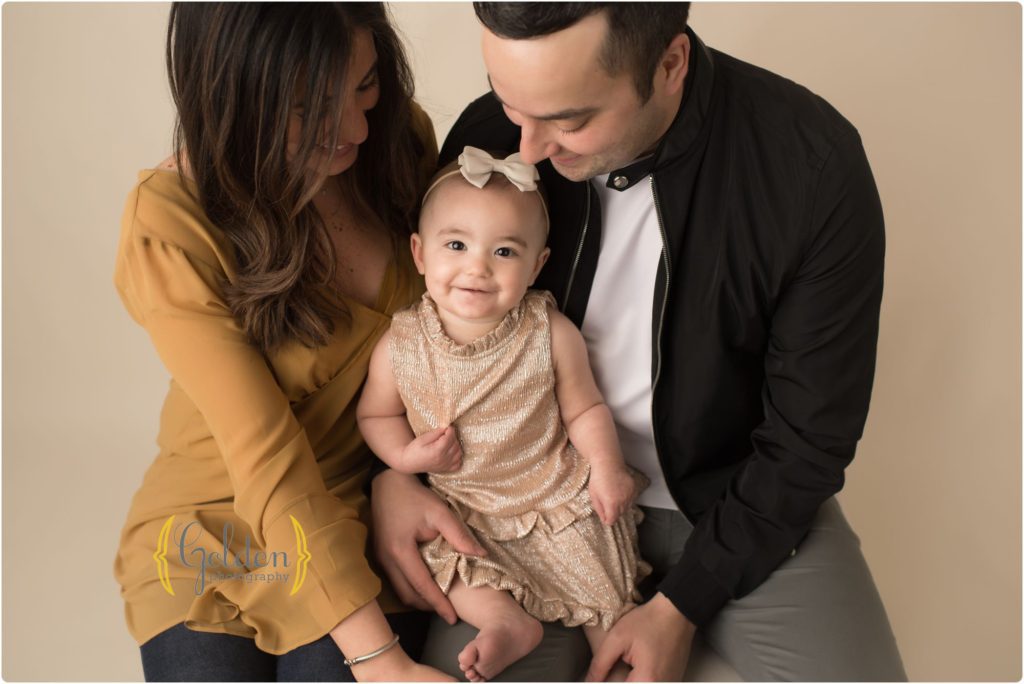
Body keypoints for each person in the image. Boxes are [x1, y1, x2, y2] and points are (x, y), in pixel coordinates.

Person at [370, 3, 908, 681]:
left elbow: (810, 440)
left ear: (670, 64)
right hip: (514, 510)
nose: (527, 150)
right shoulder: (491, 137)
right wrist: (394, 479)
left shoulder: (809, 164)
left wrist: (681, 606)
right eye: (511, 103)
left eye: (570, 120)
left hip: (734, 500)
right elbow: (428, 345)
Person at [112, 3, 453, 680]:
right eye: (312, 107)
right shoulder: (170, 218)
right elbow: (260, 450)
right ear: (232, 95)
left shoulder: (399, 145)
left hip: (360, 511)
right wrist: (386, 663)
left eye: (364, 83)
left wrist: (397, 478)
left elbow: (459, 334)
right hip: (214, 522)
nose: (356, 125)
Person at [357, 148, 649, 682]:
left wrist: (606, 468)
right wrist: (405, 455)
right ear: (420, 254)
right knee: (448, 563)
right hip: (463, 504)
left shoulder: (548, 332)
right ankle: (505, 622)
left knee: (603, 587)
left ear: (537, 264)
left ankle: (616, 658)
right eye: (456, 245)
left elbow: (585, 408)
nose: (478, 267)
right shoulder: (401, 345)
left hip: (551, 497)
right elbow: (375, 416)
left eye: (505, 252)